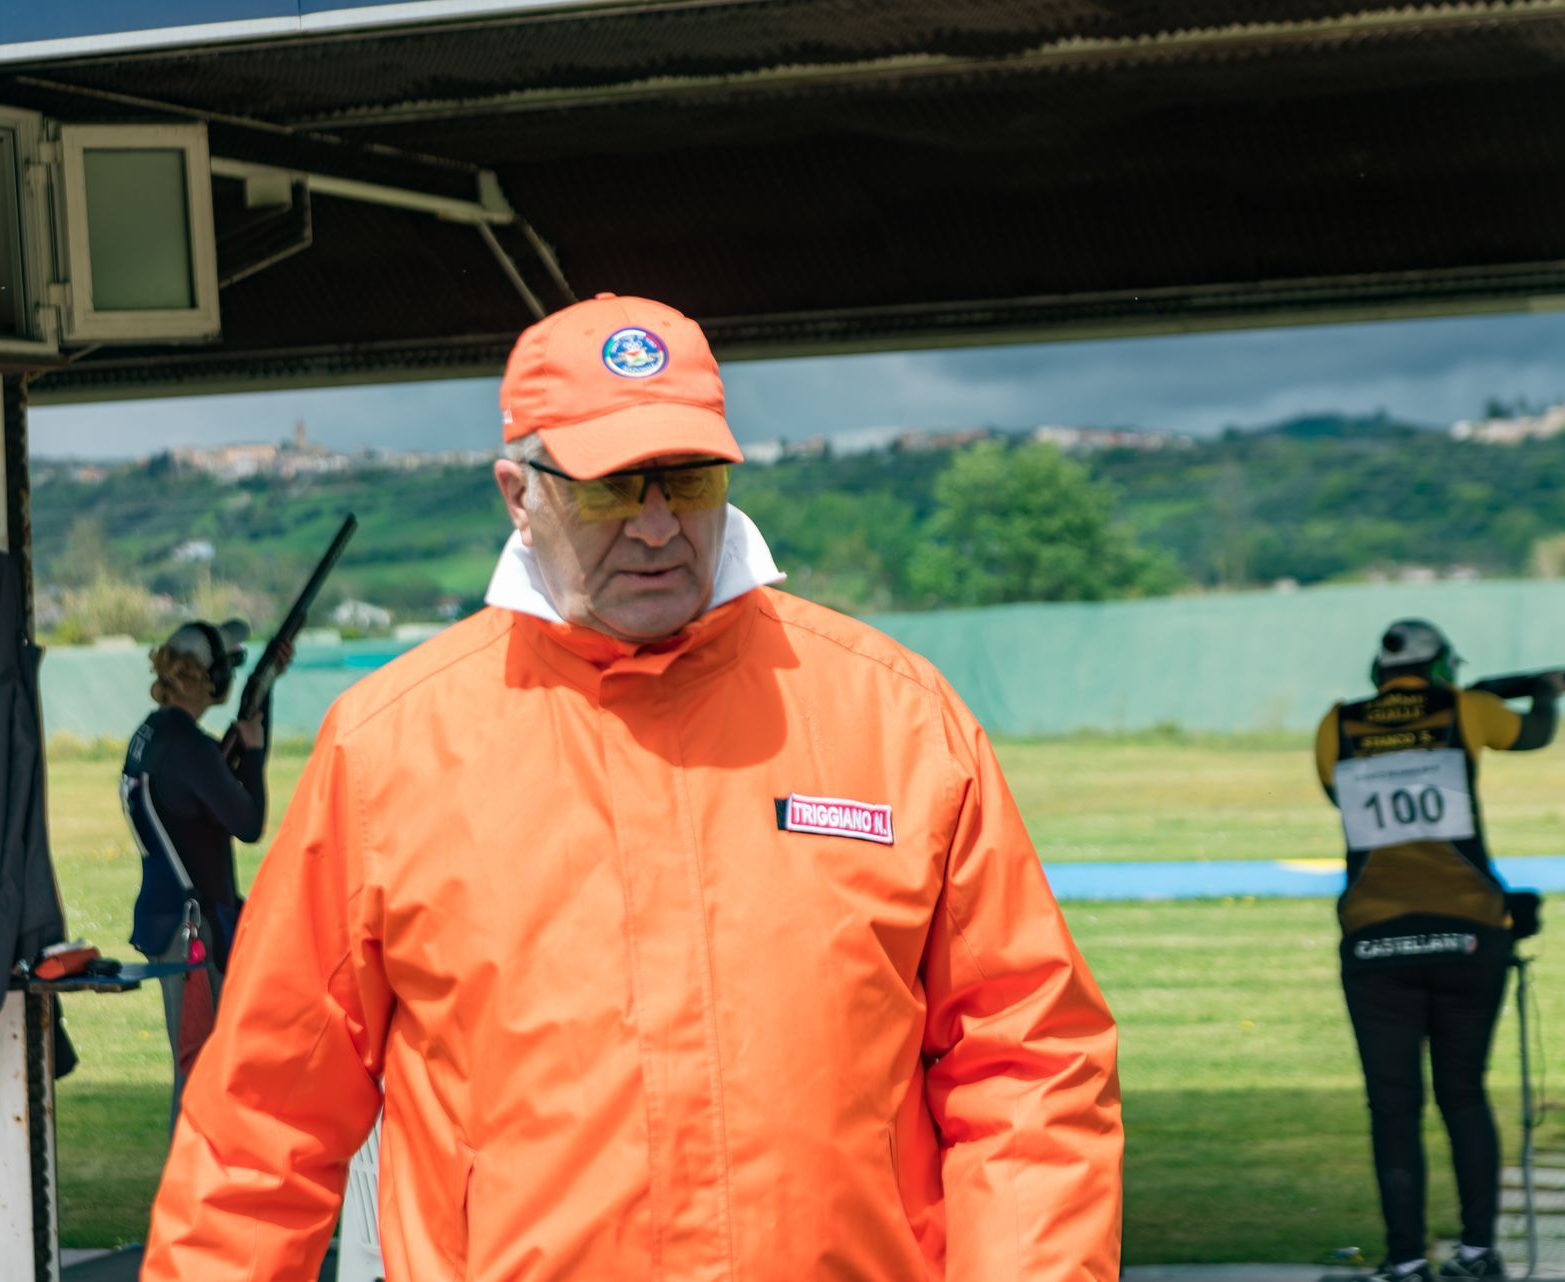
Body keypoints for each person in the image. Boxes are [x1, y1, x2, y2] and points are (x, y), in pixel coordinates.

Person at [141, 294, 1123, 1281]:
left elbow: (1028, 1068)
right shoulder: (387, 749)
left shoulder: (900, 721)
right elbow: (262, 1125)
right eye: (611, 487)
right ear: (518, 493)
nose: (657, 525)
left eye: (687, 479)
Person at [1318, 619, 1562, 1282]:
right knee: (1463, 1094)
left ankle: (1404, 1261)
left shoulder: (1337, 724)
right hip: (1468, 930)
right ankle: (1478, 1254)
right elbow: (1534, 734)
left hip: (1374, 936)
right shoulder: (1466, 707)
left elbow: (1341, 792)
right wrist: (1544, 692)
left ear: (1378, 671)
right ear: (1443, 667)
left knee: (1392, 1106)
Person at [121, 617, 272, 1132]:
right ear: (212, 678)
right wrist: (254, 752)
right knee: (201, 1076)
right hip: (195, 932)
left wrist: (264, 695)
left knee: (203, 1070)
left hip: (174, 919)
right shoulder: (190, 748)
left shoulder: (154, 734)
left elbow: (209, 797)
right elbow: (247, 821)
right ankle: (185, 1182)